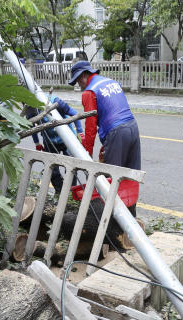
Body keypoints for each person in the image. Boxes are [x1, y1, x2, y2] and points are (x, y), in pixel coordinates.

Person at [68, 60, 141, 248]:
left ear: (84, 76)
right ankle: (132, 226)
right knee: (129, 178)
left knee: (111, 183)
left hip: (117, 132)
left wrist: (86, 153)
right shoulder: (110, 82)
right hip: (132, 128)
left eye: (78, 81)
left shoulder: (89, 92)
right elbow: (114, 112)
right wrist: (106, 144)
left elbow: (91, 126)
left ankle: (113, 235)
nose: (78, 85)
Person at [24, 94, 83, 192]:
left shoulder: (55, 101)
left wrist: (80, 133)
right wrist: (37, 143)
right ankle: (60, 191)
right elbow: (32, 126)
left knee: (71, 167)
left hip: (67, 138)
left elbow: (75, 114)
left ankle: (71, 190)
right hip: (49, 141)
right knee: (51, 169)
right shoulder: (29, 108)